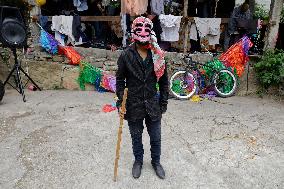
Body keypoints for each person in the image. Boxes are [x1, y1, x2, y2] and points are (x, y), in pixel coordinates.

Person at [116, 16, 169, 179]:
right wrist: (120, 101)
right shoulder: (126, 55)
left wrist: (163, 102)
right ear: (134, 36)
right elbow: (119, 80)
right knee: (136, 137)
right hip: (133, 104)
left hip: (153, 104)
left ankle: (156, 162)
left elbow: (164, 81)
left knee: (156, 137)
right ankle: (138, 161)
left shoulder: (158, 55)